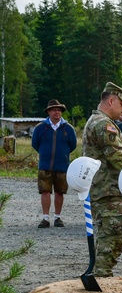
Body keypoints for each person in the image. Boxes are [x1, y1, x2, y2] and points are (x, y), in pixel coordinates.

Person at [81, 82, 122, 277]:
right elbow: (118, 157)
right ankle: (101, 277)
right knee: (111, 238)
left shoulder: (95, 120)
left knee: (107, 236)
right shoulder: (104, 124)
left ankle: (100, 275)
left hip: (104, 188)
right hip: (108, 190)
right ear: (111, 100)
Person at [31, 98, 77, 228]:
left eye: (59, 110)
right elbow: (35, 143)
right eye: (54, 110)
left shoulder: (68, 128)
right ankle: (45, 218)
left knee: (60, 191)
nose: (57, 112)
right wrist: (44, 153)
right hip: (45, 165)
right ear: (49, 112)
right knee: (45, 191)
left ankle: (58, 217)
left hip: (62, 165)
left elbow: (72, 145)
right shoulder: (40, 128)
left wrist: (63, 155)